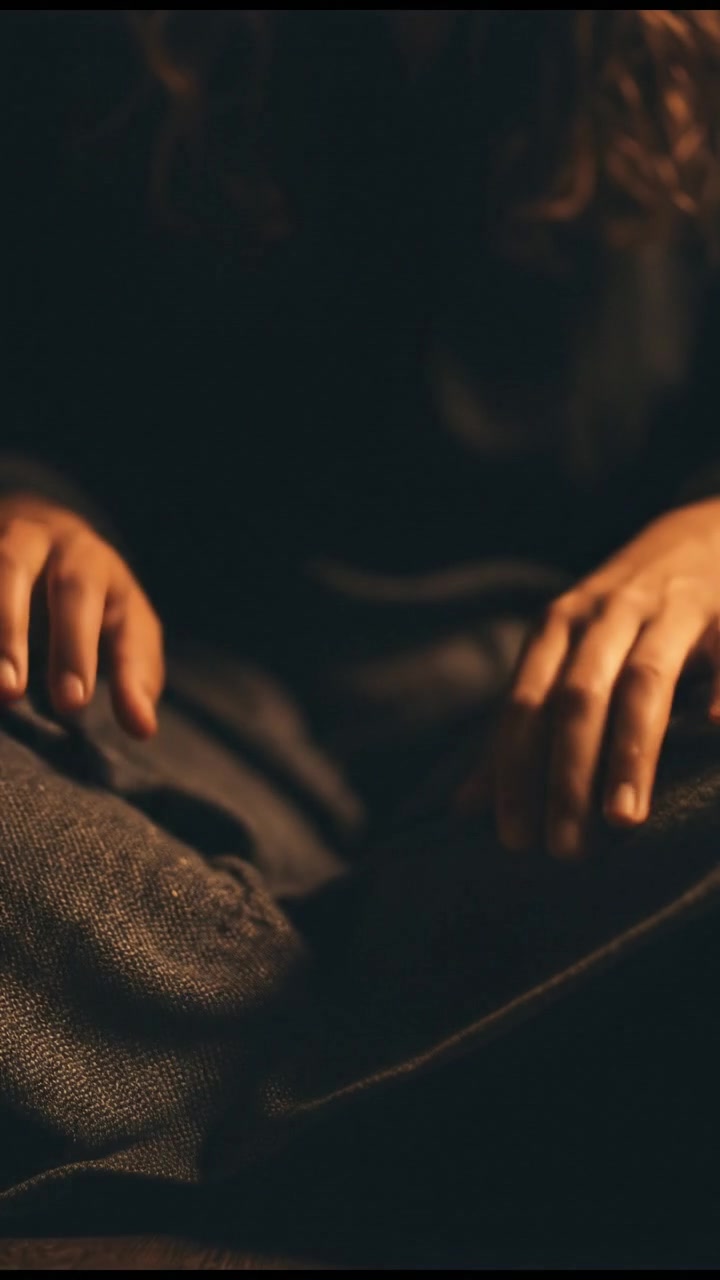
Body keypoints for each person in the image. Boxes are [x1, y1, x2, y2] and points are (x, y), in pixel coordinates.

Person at [2, 9, 720, 1265]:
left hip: (539, 758)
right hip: (166, 725)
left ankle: (211, 1090)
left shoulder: (689, 70)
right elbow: (40, 358)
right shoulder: (99, 49)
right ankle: (448, 1072)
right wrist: (30, 495)